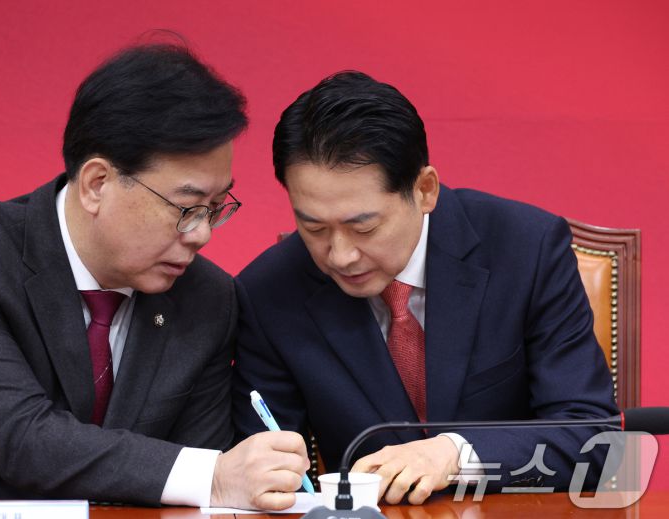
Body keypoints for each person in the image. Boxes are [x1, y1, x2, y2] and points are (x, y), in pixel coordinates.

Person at [0, 44, 308, 509]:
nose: (202, 234)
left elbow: (195, 481)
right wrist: (212, 476)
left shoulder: (208, 297)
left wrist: (216, 478)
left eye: (215, 207)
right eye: (187, 208)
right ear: (97, 184)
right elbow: (21, 438)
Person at [232, 71, 619, 504]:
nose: (340, 255)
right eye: (314, 227)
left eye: (364, 227)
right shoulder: (268, 292)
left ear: (424, 190)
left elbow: (595, 440)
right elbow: (261, 471)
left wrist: (455, 453)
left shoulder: (525, 249)